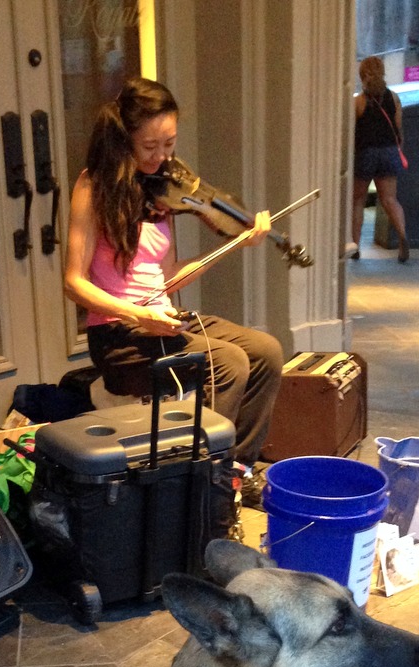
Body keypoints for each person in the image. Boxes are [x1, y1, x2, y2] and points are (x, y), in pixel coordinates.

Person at [64, 77, 283, 481]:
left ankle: (237, 469)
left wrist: (234, 243)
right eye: (150, 146)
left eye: (169, 144)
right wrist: (137, 315)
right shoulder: (92, 187)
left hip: (161, 318)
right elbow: (73, 282)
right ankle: (201, 479)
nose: (162, 156)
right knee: (228, 363)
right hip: (117, 335)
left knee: (265, 352)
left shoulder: (158, 193)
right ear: (123, 138)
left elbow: (167, 277)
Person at [351, 55, 409, 263]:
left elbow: (351, 133)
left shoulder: (359, 102)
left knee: (358, 200)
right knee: (390, 199)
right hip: (389, 152)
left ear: (362, 76)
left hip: (365, 153)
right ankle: (403, 237)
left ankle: (355, 246)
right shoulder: (394, 98)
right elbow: (398, 129)